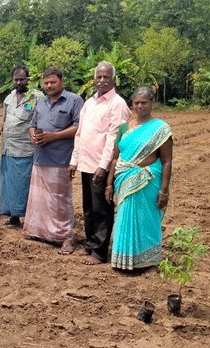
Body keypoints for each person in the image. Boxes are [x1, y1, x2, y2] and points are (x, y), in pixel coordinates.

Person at [69, 61, 131, 265]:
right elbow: (80, 133)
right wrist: (74, 160)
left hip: (101, 167)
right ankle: (91, 243)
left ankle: (100, 251)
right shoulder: (89, 103)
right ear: (94, 79)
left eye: (106, 77)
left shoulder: (118, 104)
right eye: (99, 77)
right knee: (88, 208)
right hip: (86, 164)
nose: (102, 80)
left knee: (102, 209)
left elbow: (115, 139)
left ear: (113, 79)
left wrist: (103, 166)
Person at [105, 87, 173, 270]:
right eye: (136, 103)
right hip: (124, 179)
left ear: (152, 103)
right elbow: (115, 158)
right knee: (124, 217)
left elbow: (167, 161)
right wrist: (109, 184)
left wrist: (164, 190)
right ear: (132, 104)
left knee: (147, 219)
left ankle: (150, 262)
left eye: (144, 102)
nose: (140, 106)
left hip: (149, 179)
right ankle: (123, 260)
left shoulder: (161, 129)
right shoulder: (124, 128)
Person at [24, 67, 84, 253]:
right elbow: (32, 125)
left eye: (53, 82)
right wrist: (33, 135)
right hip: (40, 157)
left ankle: (66, 237)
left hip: (61, 159)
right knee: (40, 198)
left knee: (60, 200)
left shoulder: (74, 100)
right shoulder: (40, 102)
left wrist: (54, 136)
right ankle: (41, 232)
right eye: (46, 82)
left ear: (61, 82)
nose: (49, 85)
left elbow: (79, 127)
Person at [0, 65, 42, 226]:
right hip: (8, 148)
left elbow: (41, 120)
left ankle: (29, 217)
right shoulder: (8, 98)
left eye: (22, 79)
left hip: (25, 149)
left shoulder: (36, 97)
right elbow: (4, 119)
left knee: (24, 184)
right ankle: (13, 216)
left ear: (28, 80)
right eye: (16, 79)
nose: (18, 82)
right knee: (9, 184)